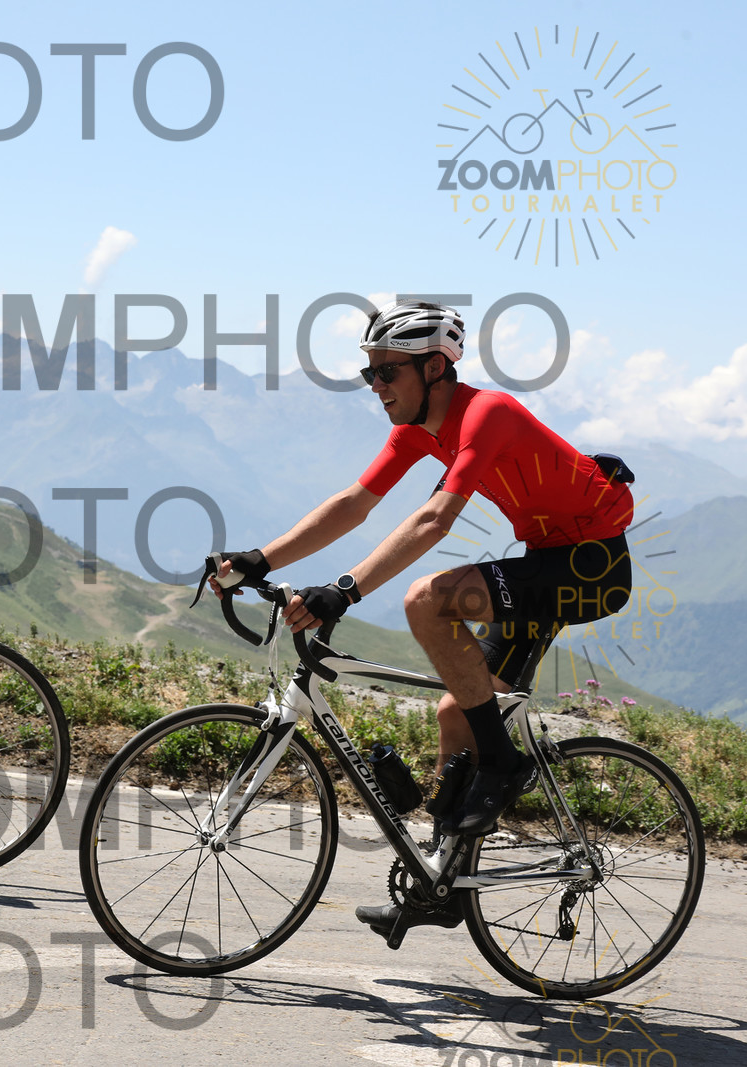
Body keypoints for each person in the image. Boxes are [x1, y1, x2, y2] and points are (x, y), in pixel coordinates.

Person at [213, 299, 634, 935]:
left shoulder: (487, 413)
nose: (376, 386)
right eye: (370, 373)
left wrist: (344, 590)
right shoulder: (419, 429)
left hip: (590, 568)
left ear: (435, 368)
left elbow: (436, 520)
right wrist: (259, 558)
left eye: (388, 372)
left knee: (426, 599)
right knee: (456, 714)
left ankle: (504, 766)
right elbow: (354, 504)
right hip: (545, 562)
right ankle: (440, 884)